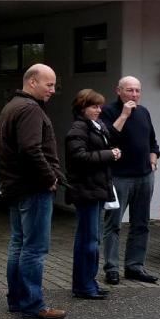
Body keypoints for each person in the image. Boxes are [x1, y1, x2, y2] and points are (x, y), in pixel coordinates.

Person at [0, 63, 66, 319]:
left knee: (18, 244)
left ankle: (17, 300)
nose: (53, 90)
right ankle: (33, 304)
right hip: (32, 188)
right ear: (32, 82)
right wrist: (50, 178)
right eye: (49, 84)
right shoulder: (30, 110)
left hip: (16, 186)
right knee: (34, 249)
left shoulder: (12, 106)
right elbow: (31, 149)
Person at [100, 76, 160, 285]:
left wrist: (153, 157)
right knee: (113, 223)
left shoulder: (144, 112)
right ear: (119, 91)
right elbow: (107, 138)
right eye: (129, 90)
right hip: (119, 177)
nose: (134, 95)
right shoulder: (108, 111)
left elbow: (152, 141)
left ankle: (135, 266)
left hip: (144, 176)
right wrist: (124, 115)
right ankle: (112, 268)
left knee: (141, 224)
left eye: (137, 91)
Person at [65, 89, 121, 300]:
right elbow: (79, 157)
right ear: (82, 108)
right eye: (93, 106)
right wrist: (109, 154)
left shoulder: (96, 127)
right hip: (86, 190)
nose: (98, 110)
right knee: (88, 240)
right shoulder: (78, 128)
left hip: (95, 189)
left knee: (92, 239)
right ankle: (83, 285)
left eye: (99, 106)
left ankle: (89, 282)